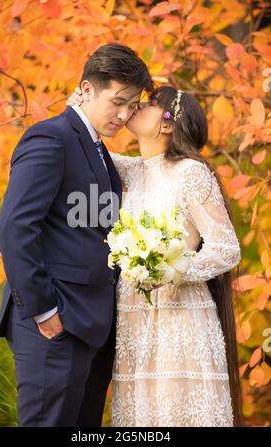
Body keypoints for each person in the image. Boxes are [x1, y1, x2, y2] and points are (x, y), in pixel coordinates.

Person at [0, 43, 153, 427]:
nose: (124, 114)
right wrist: (43, 310)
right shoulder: (51, 138)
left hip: (92, 325)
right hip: (54, 322)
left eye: (132, 105)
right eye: (117, 101)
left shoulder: (99, 150)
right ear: (85, 89)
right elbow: (16, 228)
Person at [67, 86, 242, 426]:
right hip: (134, 320)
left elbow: (226, 248)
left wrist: (171, 268)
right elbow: (87, 148)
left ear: (167, 123)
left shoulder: (190, 172)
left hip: (179, 315)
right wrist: (81, 108)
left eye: (146, 103)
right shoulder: (131, 172)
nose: (134, 106)